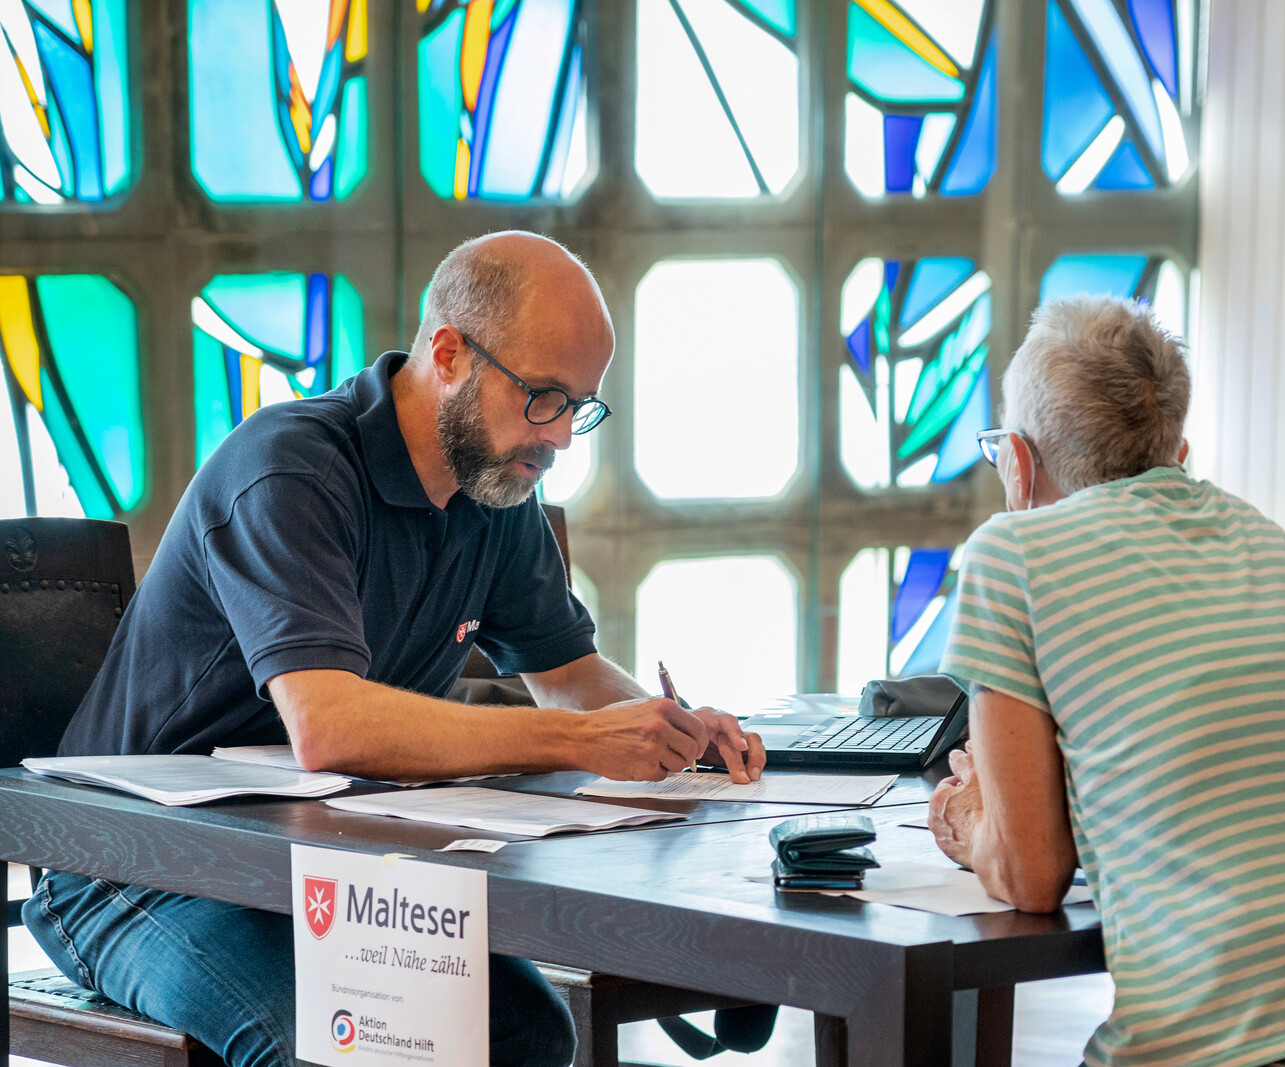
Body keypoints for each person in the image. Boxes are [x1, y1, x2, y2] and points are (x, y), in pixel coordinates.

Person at [25, 232, 766, 1067]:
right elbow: (330, 728)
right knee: (331, 1051)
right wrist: (584, 740)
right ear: (448, 353)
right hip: (139, 869)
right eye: (543, 397)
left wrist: (669, 728)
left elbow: (568, 676)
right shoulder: (290, 472)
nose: (561, 439)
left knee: (528, 1030)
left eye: (579, 407)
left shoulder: (498, 490)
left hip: (322, 861)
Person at [929, 296, 1285, 1067]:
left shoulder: (1012, 552)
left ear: (1017, 462)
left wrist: (973, 818)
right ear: (1178, 453)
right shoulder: (1258, 531)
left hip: (1260, 1030)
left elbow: (1031, 874)